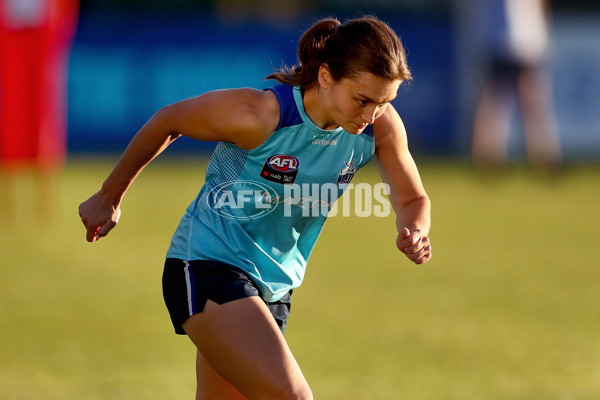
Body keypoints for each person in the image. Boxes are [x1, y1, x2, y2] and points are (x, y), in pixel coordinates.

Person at [78, 15, 431, 399]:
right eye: (362, 100)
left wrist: (414, 229)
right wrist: (109, 196)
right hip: (207, 263)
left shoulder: (380, 127)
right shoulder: (260, 116)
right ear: (327, 76)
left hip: (275, 287)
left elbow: (412, 198)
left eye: (384, 103)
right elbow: (169, 120)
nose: (370, 115)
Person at [471, 0, 562, 174]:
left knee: (522, 104)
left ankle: (540, 159)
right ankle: (490, 159)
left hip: (517, 41)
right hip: (508, 40)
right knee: (502, 105)